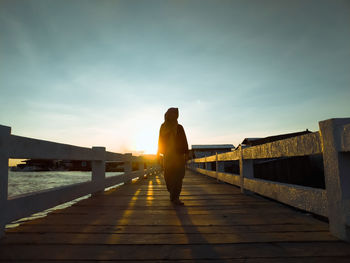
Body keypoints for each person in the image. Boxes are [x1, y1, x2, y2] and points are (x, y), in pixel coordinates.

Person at [157, 107, 188, 205]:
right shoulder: (163, 127)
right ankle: (172, 191)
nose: (173, 116)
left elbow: (184, 140)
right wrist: (158, 153)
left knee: (179, 176)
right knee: (168, 176)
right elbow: (159, 141)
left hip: (179, 155)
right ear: (167, 115)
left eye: (175, 114)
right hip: (168, 156)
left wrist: (186, 153)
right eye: (171, 113)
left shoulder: (180, 127)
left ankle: (175, 198)